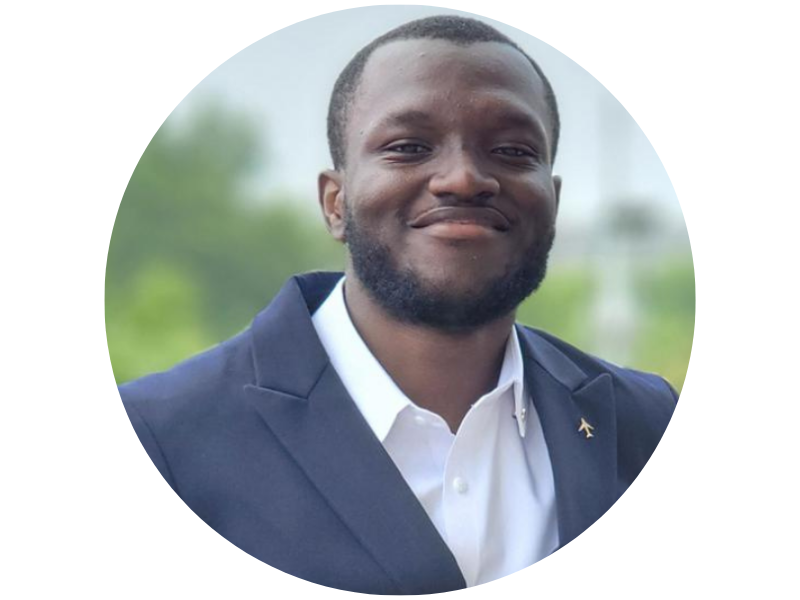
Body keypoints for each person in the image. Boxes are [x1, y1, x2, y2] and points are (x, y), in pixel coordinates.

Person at [120, 15, 677, 594]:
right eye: (409, 147)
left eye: (512, 150)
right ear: (335, 203)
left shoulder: (646, 424)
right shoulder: (158, 439)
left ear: (553, 202)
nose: (463, 178)